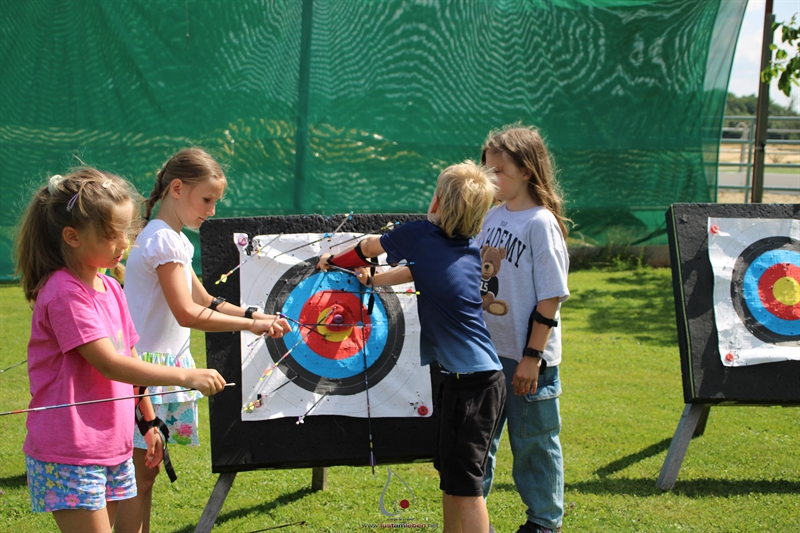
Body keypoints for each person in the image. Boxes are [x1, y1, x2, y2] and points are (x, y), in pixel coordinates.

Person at [13, 168, 227, 533]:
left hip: (112, 445)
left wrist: (147, 422)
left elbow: (131, 356)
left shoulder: (111, 288)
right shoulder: (65, 293)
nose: (124, 244)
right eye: (111, 235)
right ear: (73, 237)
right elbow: (111, 365)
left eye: (125, 233)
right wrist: (187, 376)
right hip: (71, 451)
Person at [318, 161, 505, 533]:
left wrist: (333, 261)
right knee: (452, 479)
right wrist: (375, 279)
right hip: (466, 381)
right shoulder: (465, 247)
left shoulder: (421, 234)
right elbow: (417, 269)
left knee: (467, 488)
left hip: (476, 385)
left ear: (436, 202)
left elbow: (368, 247)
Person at [116, 148, 290, 533]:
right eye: (206, 199)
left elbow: (205, 299)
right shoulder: (165, 240)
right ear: (177, 188)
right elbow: (187, 314)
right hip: (146, 371)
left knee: (146, 473)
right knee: (138, 479)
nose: (211, 210)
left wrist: (256, 316)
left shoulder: (168, 236)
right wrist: (251, 327)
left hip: (155, 367)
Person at [477, 126, 570, 533]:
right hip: (486, 355)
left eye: (499, 170)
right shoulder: (492, 216)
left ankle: (544, 524)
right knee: (478, 444)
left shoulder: (540, 223)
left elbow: (550, 297)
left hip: (528, 360)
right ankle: (472, 516)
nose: (490, 179)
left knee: (534, 444)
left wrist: (531, 358)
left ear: (528, 171)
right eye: (487, 169)